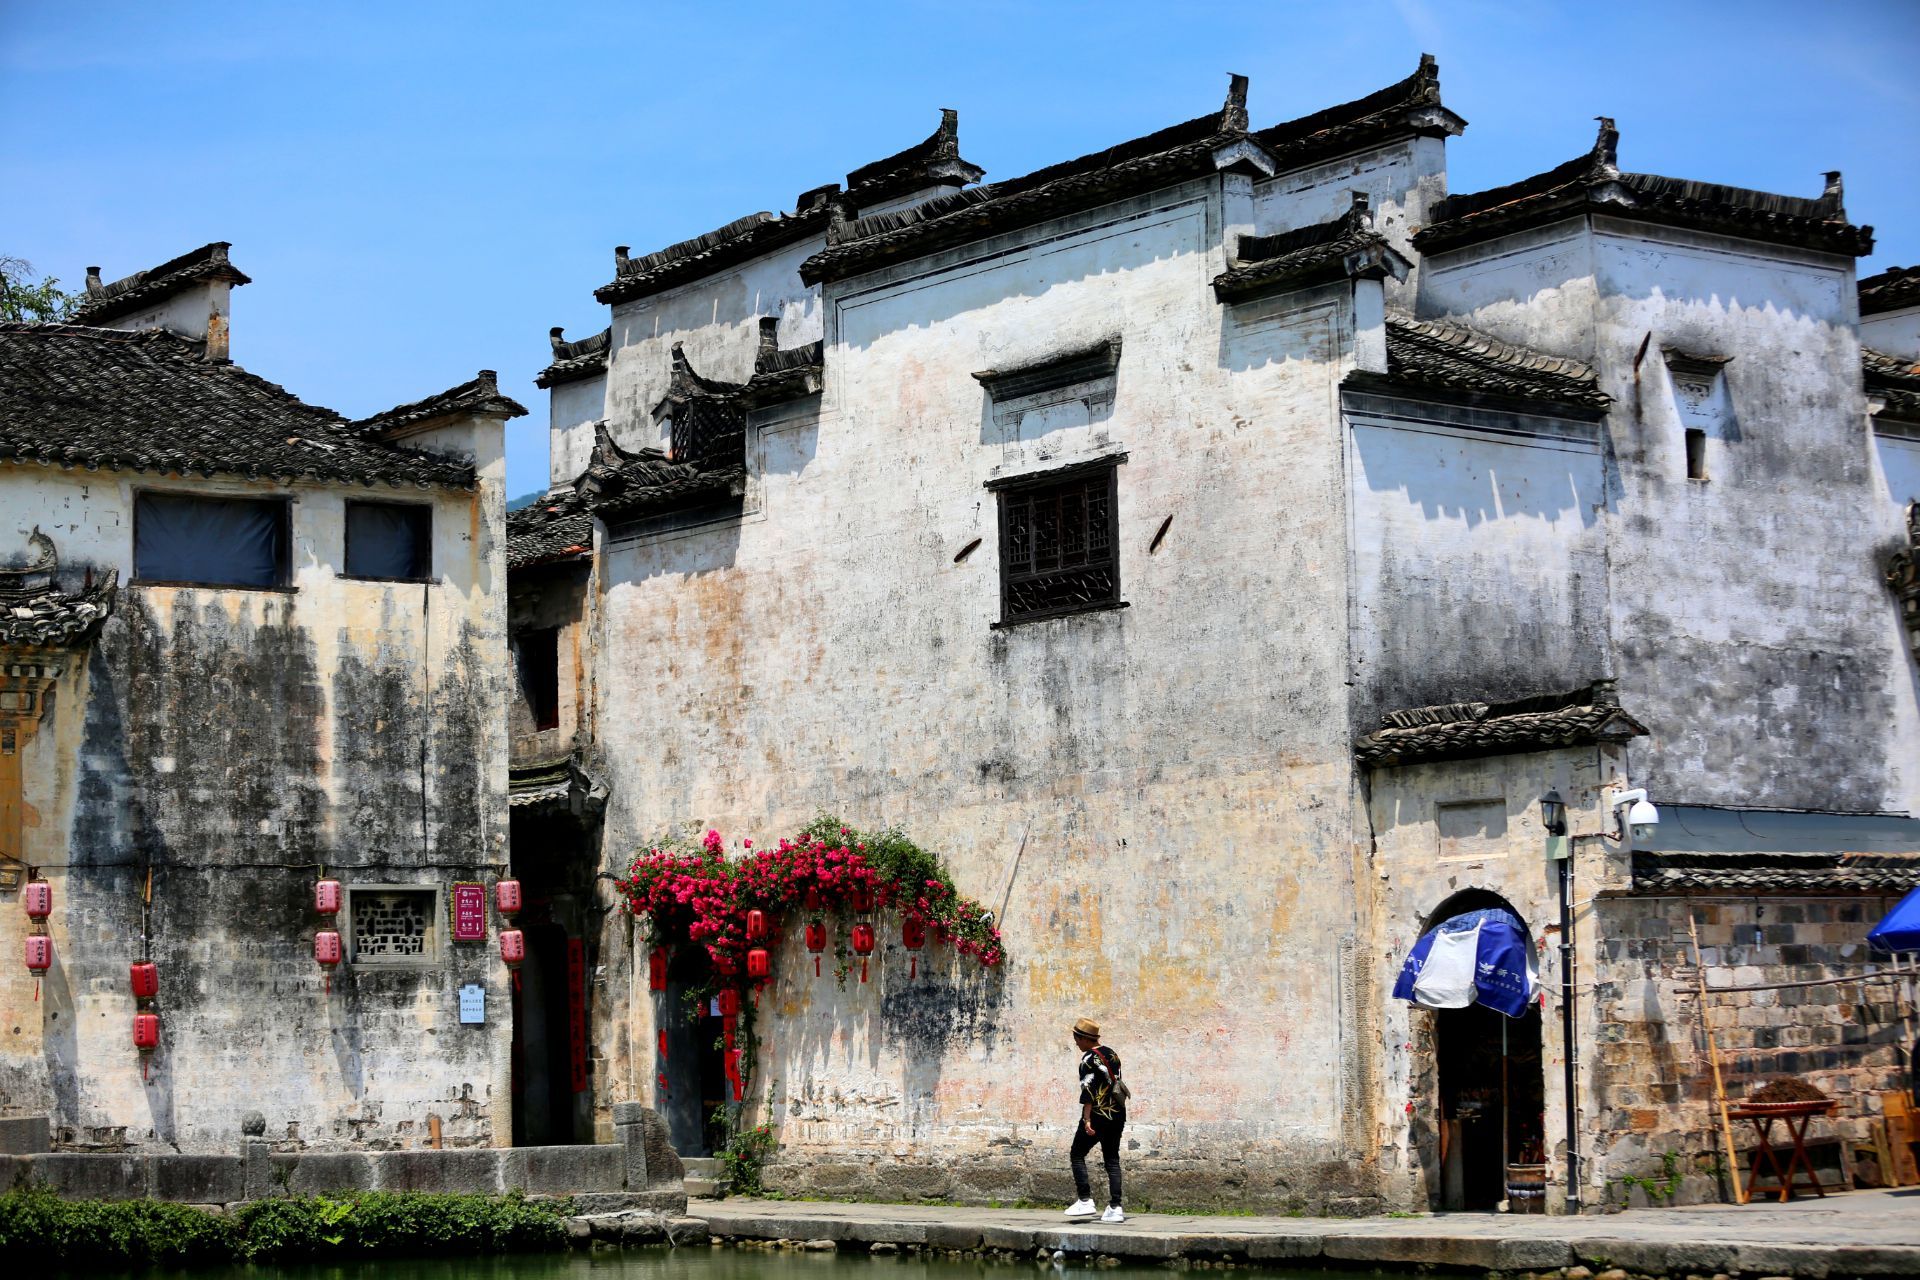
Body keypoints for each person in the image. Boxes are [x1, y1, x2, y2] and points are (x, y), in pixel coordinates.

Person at [1063, 1016, 1127, 1223]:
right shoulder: (1112, 1054)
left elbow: (1088, 1092)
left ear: (1083, 1038)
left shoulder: (1087, 1060)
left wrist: (1086, 1119)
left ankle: (1084, 1200)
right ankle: (1116, 1208)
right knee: (1112, 1159)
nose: (1076, 1043)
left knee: (1077, 1154)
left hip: (1099, 1114)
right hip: (1117, 1113)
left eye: (1077, 1038)